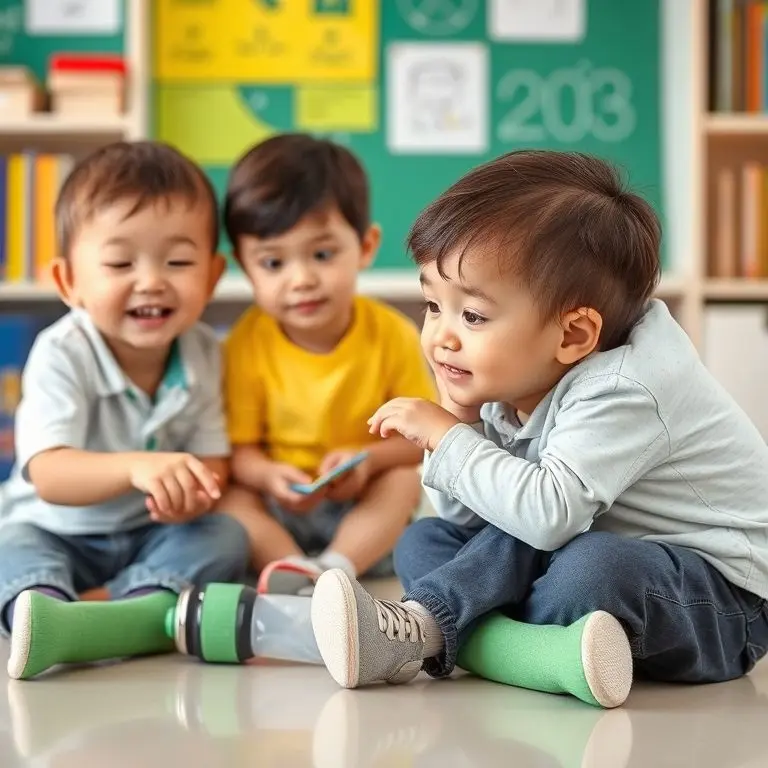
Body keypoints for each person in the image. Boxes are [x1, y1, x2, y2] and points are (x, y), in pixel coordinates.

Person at [310, 150, 768, 708]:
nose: (441, 337)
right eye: (433, 305)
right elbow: (469, 515)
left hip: (721, 601)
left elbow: (548, 516)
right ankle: (542, 656)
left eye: (473, 316)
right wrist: (458, 421)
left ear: (573, 334)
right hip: (575, 542)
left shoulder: (626, 387)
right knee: (424, 540)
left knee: (588, 567)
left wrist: (448, 439)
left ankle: (440, 630)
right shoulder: (519, 371)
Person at [0, 141, 250, 680]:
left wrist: (191, 494)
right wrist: (138, 466)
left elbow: (214, 460)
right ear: (69, 282)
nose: (151, 280)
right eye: (120, 262)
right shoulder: (62, 351)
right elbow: (49, 474)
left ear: (210, 276)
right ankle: (45, 606)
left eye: (178, 261)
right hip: (53, 527)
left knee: (225, 535)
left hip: (148, 532)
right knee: (8, 545)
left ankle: (117, 610)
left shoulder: (205, 351)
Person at [220, 133, 436, 596]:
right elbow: (241, 453)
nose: (301, 279)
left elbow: (421, 441)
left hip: (360, 508)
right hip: (279, 507)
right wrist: (270, 477)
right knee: (231, 497)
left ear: (365, 245)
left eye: (322, 254)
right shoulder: (245, 343)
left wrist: (365, 463)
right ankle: (289, 567)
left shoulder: (392, 334)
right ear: (244, 265)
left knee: (400, 482)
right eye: (273, 262)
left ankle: (335, 570)